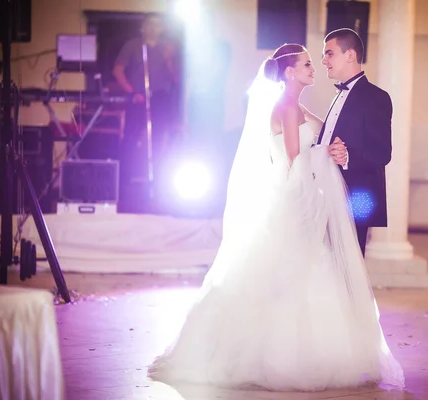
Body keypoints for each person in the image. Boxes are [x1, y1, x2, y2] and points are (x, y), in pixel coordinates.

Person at [147, 43, 405, 392]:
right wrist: (327, 156)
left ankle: (320, 350)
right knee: (293, 274)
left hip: (306, 196)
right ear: (289, 72)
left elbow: (327, 135)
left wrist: (337, 151)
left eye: (320, 59)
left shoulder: (299, 106)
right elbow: (295, 160)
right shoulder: (285, 107)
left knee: (310, 271)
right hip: (293, 199)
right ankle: (282, 353)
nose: (315, 67)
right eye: (307, 63)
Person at [318, 28, 393, 256]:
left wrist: (348, 156)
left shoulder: (376, 97)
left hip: (357, 200)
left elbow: (382, 153)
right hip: (330, 195)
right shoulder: (338, 96)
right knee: (330, 269)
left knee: (350, 270)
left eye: (329, 53)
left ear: (350, 55)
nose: (324, 61)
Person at [113, 13, 180, 212]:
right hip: (138, 97)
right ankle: (123, 184)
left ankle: (160, 183)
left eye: (158, 25)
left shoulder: (167, 47)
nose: (154, 28)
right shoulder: (133, 45)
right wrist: (132, 92)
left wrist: (169, 60)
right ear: (143, 27)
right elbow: (117, 70)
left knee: (160, 140)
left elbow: (176, 78)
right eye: (150, 24)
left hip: (160, 98)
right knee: (130, 139)